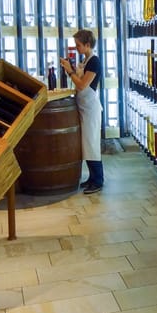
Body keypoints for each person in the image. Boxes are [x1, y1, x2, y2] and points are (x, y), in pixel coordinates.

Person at [61, 29, 103, 194]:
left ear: (87, 45)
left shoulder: (94, 62)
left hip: (91, 108)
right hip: (83, 106)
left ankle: (98, 180)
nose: (76, 48)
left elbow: (81, 85)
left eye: (78, 45)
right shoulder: (85, 60)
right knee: (86, 144)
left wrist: (70, 71)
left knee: (91, 143)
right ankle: (92, 178)